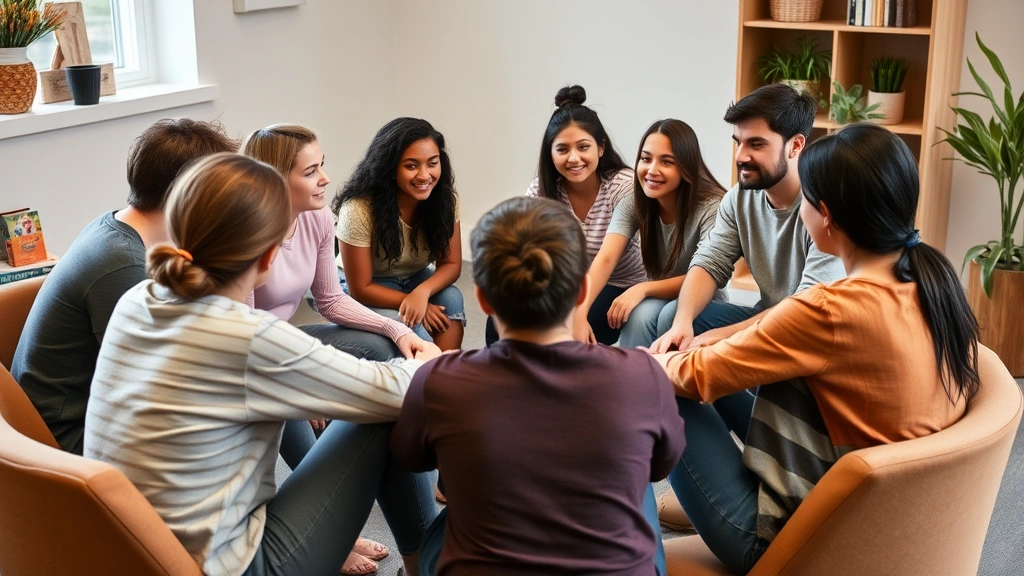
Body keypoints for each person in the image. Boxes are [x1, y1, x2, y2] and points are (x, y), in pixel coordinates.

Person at [84, 153, 440, 576]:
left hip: (130, 553)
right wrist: (427, 359)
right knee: (386, 411)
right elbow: (394, 392)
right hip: (238, 567)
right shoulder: (246, 337)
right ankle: (428, 567)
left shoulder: (138, 300)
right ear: (269, 257)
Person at [649, 123, 980, 574]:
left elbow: (692, 378)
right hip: (874, 523)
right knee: (706, 362)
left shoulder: (830, 308)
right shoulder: (927, 282)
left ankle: (627, 540)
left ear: (824, 214)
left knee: (656, 389)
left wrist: (648, 364)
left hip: (791, 541)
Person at [391, 196, 686, 576]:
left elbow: (409, 457)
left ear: (482, 300)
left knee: (449, 523)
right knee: (632, 484)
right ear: (582, 291)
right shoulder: (644, 376)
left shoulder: (440, 380)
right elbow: (661, 464)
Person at [242, 124, 437, 575]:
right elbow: (251, 339)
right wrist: (307, 380)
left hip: (279, 346)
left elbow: (330, 300)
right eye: (312, 171)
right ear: (273, 179)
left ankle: (400, 539)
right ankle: (340, 534)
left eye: (322, 166)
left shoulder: (316, 218)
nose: (326, 179)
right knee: (374, 410)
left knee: (387, 345)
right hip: (263, 354)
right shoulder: (247, 239)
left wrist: (396, 329)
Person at [12, 118, 238, 454]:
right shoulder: (125, 266)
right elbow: (159, 385)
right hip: (71, 438)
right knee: (256, 397)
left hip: (84, 415)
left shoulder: (118, 226)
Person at [650, 83, 846, 355]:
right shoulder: (739, 199)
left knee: (710, 343)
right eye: (738, 143)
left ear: (796, 145)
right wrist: (682, 324)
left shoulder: (824, 209)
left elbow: (808, 309)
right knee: (674, 318)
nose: (740, 156)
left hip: (813, 335)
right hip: (768, 317)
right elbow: (709, 261)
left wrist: (723, 336)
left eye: (756, 144)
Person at [484, 84, 646, 346]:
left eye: (583, 147)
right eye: (562, 149)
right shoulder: (541, 189)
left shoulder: (622, 186)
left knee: (568, 327)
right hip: (567, 283)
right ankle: (501, 374)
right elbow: (522, 248)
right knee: (503, 313)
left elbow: (606, 260)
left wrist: (579, 313)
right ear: (551, 153)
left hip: (619, 283)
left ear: (600, 148)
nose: (574, 158)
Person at [574, 118, 725, 348]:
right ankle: (635, 380)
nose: (652, 170)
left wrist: (643, 288)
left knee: (655, 314)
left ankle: (660, 381)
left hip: (701, 298)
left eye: (667, 162)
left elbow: (706, 276)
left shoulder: (712, 207)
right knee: (638, 315)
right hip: (657, 296)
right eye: (646, 159)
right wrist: (579, 312)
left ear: (686, 167)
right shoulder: (635, 202)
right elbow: (605, 259)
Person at [332, 118, 464, 351]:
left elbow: (451, 264)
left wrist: (421, 293)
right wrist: (409, 301)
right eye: (411, 166)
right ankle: (427, 371)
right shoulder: (358, 208)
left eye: (432, 163)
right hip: (363, 284)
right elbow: (360, 288)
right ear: (390, 167)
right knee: (415, 334)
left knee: (451, 298)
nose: (424, 175)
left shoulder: (446, 201)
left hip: (413, 277)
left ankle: (446, 370)